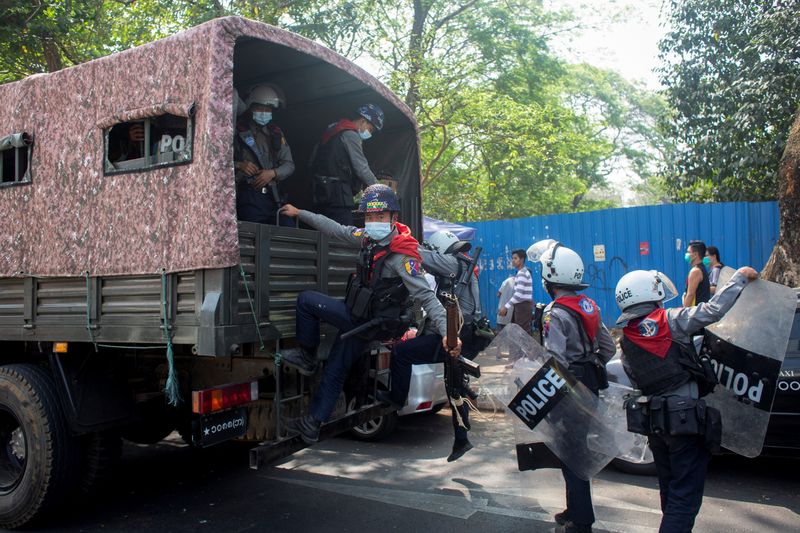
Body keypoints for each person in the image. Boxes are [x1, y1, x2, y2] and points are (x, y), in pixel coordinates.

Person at [277, 185, 460, 444]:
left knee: (306, 300)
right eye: (369, 217)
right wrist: (300, 213)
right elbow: (336, 229)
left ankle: (306, 355)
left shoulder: (403, 256)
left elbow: (427, 298)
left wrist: (449, 334)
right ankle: (313, 424)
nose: (374, 222)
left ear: (393, 219)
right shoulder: (368, 239)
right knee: (335, 369)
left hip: (366, 320)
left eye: (380, 217)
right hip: (364, 322)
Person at [614, 266, 759, 532]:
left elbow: (638, 381)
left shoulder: (627, 340)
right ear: (651, 294)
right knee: (685, 499)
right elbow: (713, 310)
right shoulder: (669, 319)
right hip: (684, 421)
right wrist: (739, 278)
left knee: (670, 493)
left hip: (656, 424)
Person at [531, 240, 616, 533]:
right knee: (573, 450)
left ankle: (582, 521)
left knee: (573, 454)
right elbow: (608, 349)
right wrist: (589, 364)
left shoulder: (555, 312)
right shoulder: (588, 305)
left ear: (550, 279)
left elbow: (556, 361)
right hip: (590, 383)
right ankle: (573, 509)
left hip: (568, 388)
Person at [379, 230, 481, 462]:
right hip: (461, 335)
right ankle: (461, 439)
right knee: (454, 386)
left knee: (402, 352)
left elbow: (423, 256)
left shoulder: (452, 262)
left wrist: (394, 243)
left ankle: (396, 399)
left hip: (450, 337)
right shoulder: (464, 265)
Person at [310, 104, 385, 225]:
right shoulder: (351, 135)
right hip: (337, 197)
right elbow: (361, 168)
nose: (369, 134)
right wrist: (379, 188)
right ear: (363, 121)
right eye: (370, 129)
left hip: (320, 192)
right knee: (345, 234)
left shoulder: (333, 131)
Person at [234, 83, 295, 226]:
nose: (264, 112)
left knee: (288, 231)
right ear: (251, 108)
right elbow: (217, 160)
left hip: (274, 196)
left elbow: (289, 165)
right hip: (249, 195)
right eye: (260, 108)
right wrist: (240, 165)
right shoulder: (237, 131)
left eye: (268, 109)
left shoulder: (276, 133)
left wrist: (272, 173)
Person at [498, 249, 533, 335]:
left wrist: (505, 307)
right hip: (521, 306)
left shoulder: (522, 273)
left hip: (522, 307)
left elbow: (518, 295)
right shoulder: (522, 272)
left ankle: (526, 348)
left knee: (522, 333)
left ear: (521, 259)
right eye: (512, 258)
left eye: (515, 258)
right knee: (520, 332)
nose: (513, 260)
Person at [682, 240, 710, 306]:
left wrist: (683, 313)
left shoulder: (695, 271)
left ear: (695, 255)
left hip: (696, 313)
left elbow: (690, 295)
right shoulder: (701, 268)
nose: (686, 254)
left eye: (688, 252)